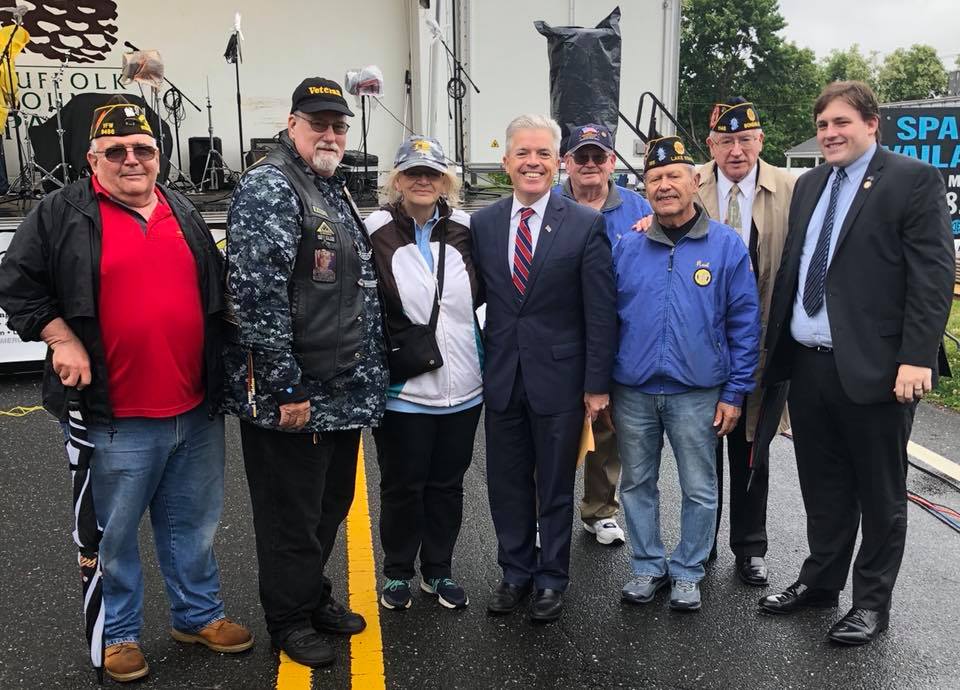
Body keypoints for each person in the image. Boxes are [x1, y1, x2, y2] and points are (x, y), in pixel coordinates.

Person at [0, 99, 251, 683]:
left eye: (143, 149)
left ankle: (198, 615)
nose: (131, 160)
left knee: (193, 525)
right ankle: (118, 634)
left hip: (193, 407)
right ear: (93, 158)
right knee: (111, 536)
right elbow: (17, 286)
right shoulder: (58, 213)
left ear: (159, 157)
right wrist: (59, 336)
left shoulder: (182, 208)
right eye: (117, 151)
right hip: (111, 414)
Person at [759, 81, 954, 645]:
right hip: (810, 364)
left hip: (879, 369)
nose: (829, 134)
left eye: (841, 123)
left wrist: (917, 357)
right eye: (822, 126)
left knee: (880, 493)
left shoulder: (912, 180)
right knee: (823, 485)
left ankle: (870, 603)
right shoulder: (810, 184)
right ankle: (821, 583)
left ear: (872, 124)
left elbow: (932, 275)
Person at [222, 77, 387, 667]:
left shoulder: (327, 184)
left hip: (337, 391)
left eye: (339, 124)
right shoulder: (271, 186)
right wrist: (283, 384)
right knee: (291, 514)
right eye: (318, 122)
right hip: (296, 393)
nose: (331, 133)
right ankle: (288, 620)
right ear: (292, 125)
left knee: (327, 504)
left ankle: (311, 595)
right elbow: (256, 297)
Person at [471, 114, 616, 623]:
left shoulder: (584, 223)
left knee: (554, 486)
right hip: (505, 379)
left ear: (559, 164)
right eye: (522, 153)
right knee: (506, 484)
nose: (533, 162)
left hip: (561, 381)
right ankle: (515, 572)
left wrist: (597, 385)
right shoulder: (484, 224)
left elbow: (600, 311)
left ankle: (552, 578)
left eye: (543, 154)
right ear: (506, 161)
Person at [613, 135, 760, 612]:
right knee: (637, 483)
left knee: (699, 487)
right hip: (633, 390)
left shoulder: (726, 246)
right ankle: (648, 565)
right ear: (646, 188)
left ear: (696, 181)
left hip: (698, 392)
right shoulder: (627, 245)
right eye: (654, 178)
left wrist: (735, 392)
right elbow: (605, 317)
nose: (664, 185)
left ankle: (689, 570)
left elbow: (744, 324)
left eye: (674, 175)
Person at [364, 135, 483, 611]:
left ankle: (438, 570)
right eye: (413, 172)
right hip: (405, 390)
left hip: (465, 390)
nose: (422, 180)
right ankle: (396, 571)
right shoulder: (372, 229)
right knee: (402, 484)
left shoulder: (468, 229)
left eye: (431, 173)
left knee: (447, 485)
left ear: (445, 182)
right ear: (397, 180)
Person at [700, 98, 795, 585]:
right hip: (703, 346)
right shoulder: (688, 183)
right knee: (703, 447)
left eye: (745, 140)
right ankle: (703, 543)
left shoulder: (793, 187)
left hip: (763, 341)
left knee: (753, 447)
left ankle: (750, 546)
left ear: (760, 141)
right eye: (725, 141)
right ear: (711, 145)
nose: (735, 151)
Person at [554, 123, 652, 546]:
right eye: (582, 157)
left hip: (616, 332)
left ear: (612, 161)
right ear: (567, 162)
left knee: (607, 426)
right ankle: (547, 508)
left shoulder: (639, 208)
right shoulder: (547, 203)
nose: (590, 164)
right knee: (554, 424)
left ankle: (599, 510)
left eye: (599, 156)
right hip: (557, 332)